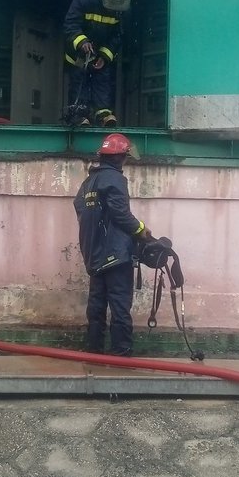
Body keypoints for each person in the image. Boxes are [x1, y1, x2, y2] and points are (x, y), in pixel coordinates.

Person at [73, 132, 154, 356]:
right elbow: (120, 213)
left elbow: (80, 207)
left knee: (96, 305)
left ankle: (94, 349)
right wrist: (141, 230)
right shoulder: (115, 179)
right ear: (121, 157)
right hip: (117, 256)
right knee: (120, 305)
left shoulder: (89, 181)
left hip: (95, 254)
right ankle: (121, 352)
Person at [62, 0, 131, 128]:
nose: (114, 6)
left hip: (101, 52)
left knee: (104, 83)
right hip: (78, 52)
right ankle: (80, 116)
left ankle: (104, 116)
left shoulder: (122, 9)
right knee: (79, 82)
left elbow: (118, 35)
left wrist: (105, 56)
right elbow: (70, 24)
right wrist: (82, 42)